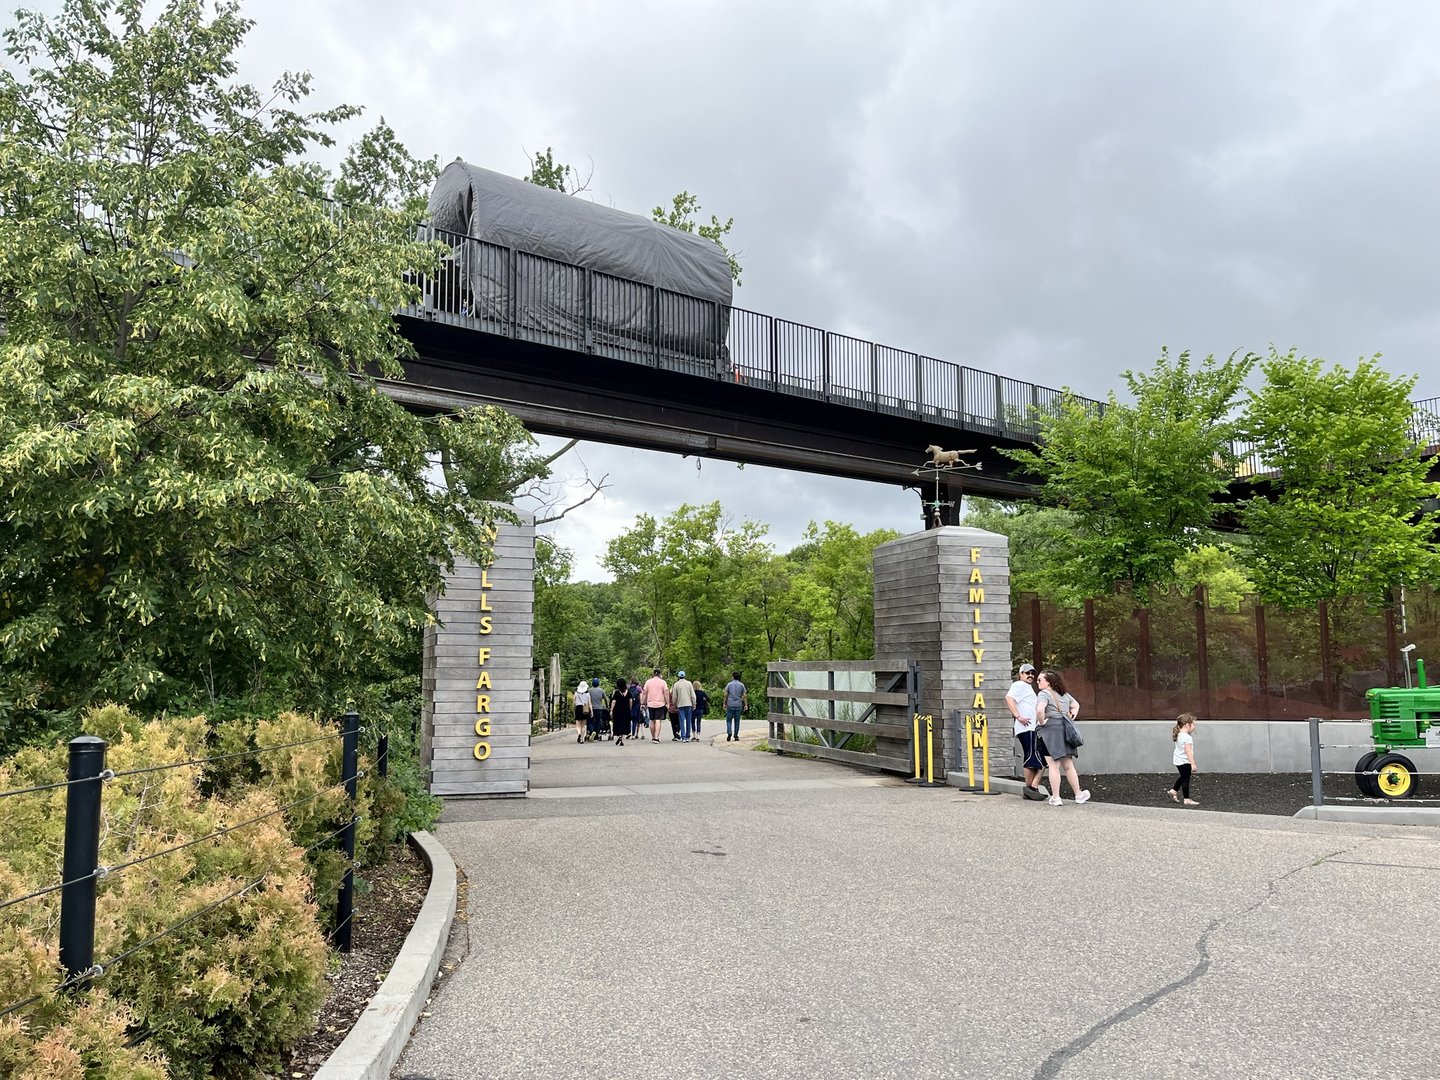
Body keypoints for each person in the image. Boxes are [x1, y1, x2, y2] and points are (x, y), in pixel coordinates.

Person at [1035, 670, 1089, 806]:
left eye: (1040, 680)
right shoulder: (1064, 694)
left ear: (1049, 682)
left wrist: (1041, 722)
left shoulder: (1043, 694)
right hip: (1064, 729)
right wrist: (1071, 715)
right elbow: (1076, 705)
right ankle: (1078, 795)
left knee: (1053, 766)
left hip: (1050, 732)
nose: (1037, 682)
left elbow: (1040, 710)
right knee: (1069, 765)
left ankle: (1056, 797)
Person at [1006, 663, 1047, 800]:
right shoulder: (1019, 685)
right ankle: (1030, 789)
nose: (1030, 675)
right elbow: (1009, 698)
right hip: (1027, 728)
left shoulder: (1027, 688)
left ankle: (1031, 789)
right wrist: (1018, 716)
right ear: (1021, 674)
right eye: (1027, 673)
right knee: (1033, 757)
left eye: (1032, 673)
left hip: (1031, 728)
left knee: (1036, 757)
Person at [1169, 714, 1199, 805]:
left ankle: (1174, 791)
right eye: (1193, 724)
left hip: (1178, 760)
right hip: (1184, 761)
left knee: (1183, 776)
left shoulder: (1179, 735)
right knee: (1186, 779)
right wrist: (1193, 763)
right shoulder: (1187, 737)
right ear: (1187, 725)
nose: (1194, 727)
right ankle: (1187, 799)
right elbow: (1188, 751)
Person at [642, 668, 669, 743]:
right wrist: (667, 702)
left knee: (652, 720)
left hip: (650, 703)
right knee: (658, 720)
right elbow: (666, 692)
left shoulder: (648, 682)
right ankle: (656, 737)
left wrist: (642, 702)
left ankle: (653, 736)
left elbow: (644, 693)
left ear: (653, 674)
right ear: (660, 674)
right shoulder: (663, 682)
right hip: (660, 703)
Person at [671, 670, 696, 741]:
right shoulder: (689, 683)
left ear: (678, 676)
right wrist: (694, 703)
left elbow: (674, 696)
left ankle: (683, 736)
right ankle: (688, 736)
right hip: (689, 704)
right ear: (684, 676)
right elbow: (693, 695)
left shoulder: (676, 684)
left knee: (681, 721)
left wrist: (675, 704)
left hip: (680, 705)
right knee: (688, 720)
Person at [723, 671, 748, 742]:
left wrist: (724, 703)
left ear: (733, 677)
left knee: (729, 720)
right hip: (738, 704)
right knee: (737, 721)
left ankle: (729, 731)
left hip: (730, 704)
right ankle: (736, 735)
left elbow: (725, 694)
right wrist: (745, 705)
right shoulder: (741, 685)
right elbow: (745, 695)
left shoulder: (729, 684)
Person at [610, 677, 632, 747]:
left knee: (618, 723)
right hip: (626, 710)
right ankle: (622, 739)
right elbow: (630, 701)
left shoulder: (616, 692)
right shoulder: (628, 692)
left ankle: (618, 736)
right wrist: (630, 708)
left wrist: (611, 710)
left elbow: (613, 702)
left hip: (617, 710)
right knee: (624, 724)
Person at [587, 677, 609, 741]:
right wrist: (607, 706)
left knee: (590, 721)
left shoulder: (589, 690)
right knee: (598, 721)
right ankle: (596, 735)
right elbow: (605, 699)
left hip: (591, 708)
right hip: (599, 708)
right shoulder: (601, 690)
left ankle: (591, 732)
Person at [573, 680, 591, 744]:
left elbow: (574, 702)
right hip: (585, 709)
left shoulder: (576, 693)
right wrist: (591, 711)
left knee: (578, 724)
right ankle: (582, 739)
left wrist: (574, 708)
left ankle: (579, 733)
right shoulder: (587, 694)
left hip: (578, 708)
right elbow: (589, 703)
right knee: (583, 725)